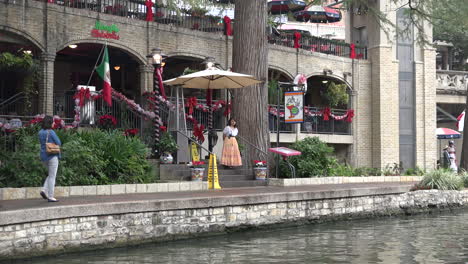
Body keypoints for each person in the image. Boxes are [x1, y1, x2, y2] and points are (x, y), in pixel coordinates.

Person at [38, 115, 61, 202]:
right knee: (52, 176)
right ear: (50, 123)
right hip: (52, 155)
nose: (54, 123)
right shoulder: (51, 132)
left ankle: (44, 190)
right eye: (53, 122)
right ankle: (50, 196)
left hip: (44, 156)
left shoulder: (40, 132)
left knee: (50, 175)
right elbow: (58, 142)